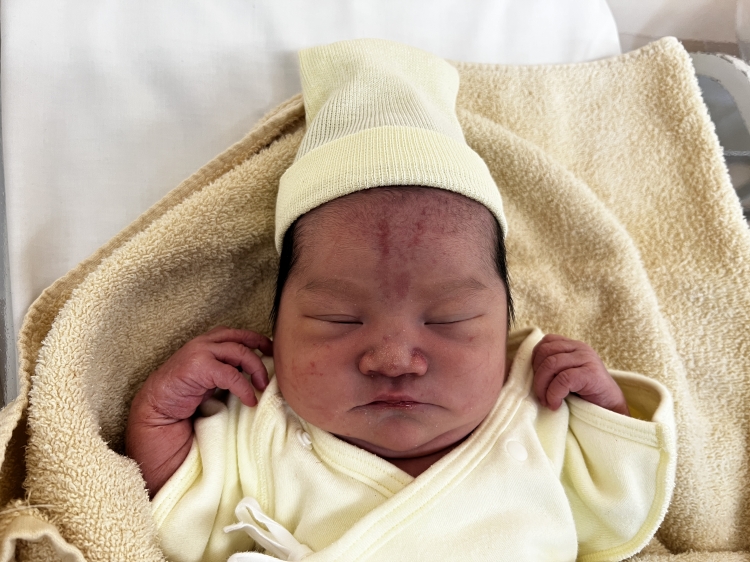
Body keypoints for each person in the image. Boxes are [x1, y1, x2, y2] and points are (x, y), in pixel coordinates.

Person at [126, 39, 675, 562]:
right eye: (339, 319)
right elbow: (175, 521)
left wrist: (607, 413)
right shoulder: (261, 427)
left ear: (505, 325)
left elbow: (617, 511)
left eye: (449, 318)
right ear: (276, 327)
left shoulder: (538, 413)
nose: (393, 360)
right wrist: (158, 416)